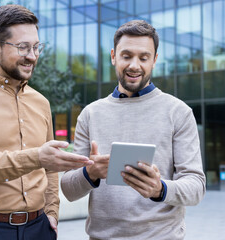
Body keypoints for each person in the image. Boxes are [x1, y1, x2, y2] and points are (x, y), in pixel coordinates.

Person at [0, 5, 93, 240]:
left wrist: (51, 211)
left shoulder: (41, 102)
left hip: (38, 228)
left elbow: (49, 168)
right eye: (22, 47)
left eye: (36, 47)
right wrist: (36, 157)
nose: (32, 56)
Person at [61, 20, 206, 240]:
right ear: (113, 56)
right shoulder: (90, 114)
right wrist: (90, 173)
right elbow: (69, 190)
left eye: (143, 57)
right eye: (126, 56)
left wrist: (160, 189)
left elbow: (196, 187)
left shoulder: (179, 112)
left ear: (155, 60)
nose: (134, 65)